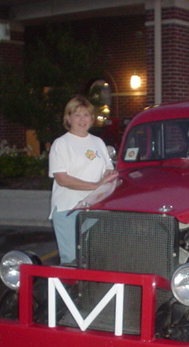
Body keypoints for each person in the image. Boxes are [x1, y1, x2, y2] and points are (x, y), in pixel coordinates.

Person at [49, 95, 118, 264]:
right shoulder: (61, 143)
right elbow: (62, 179)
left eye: (86, 115)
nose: (82, 119)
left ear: (92, 118)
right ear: (68, 118)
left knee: (95, 259)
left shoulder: (98, 142)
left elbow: (108, 168)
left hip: (95, 209)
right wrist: (95, 186)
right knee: (72, 261)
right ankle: (68, 290)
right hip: (69, 209)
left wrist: (108, 174)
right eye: (77, 115)